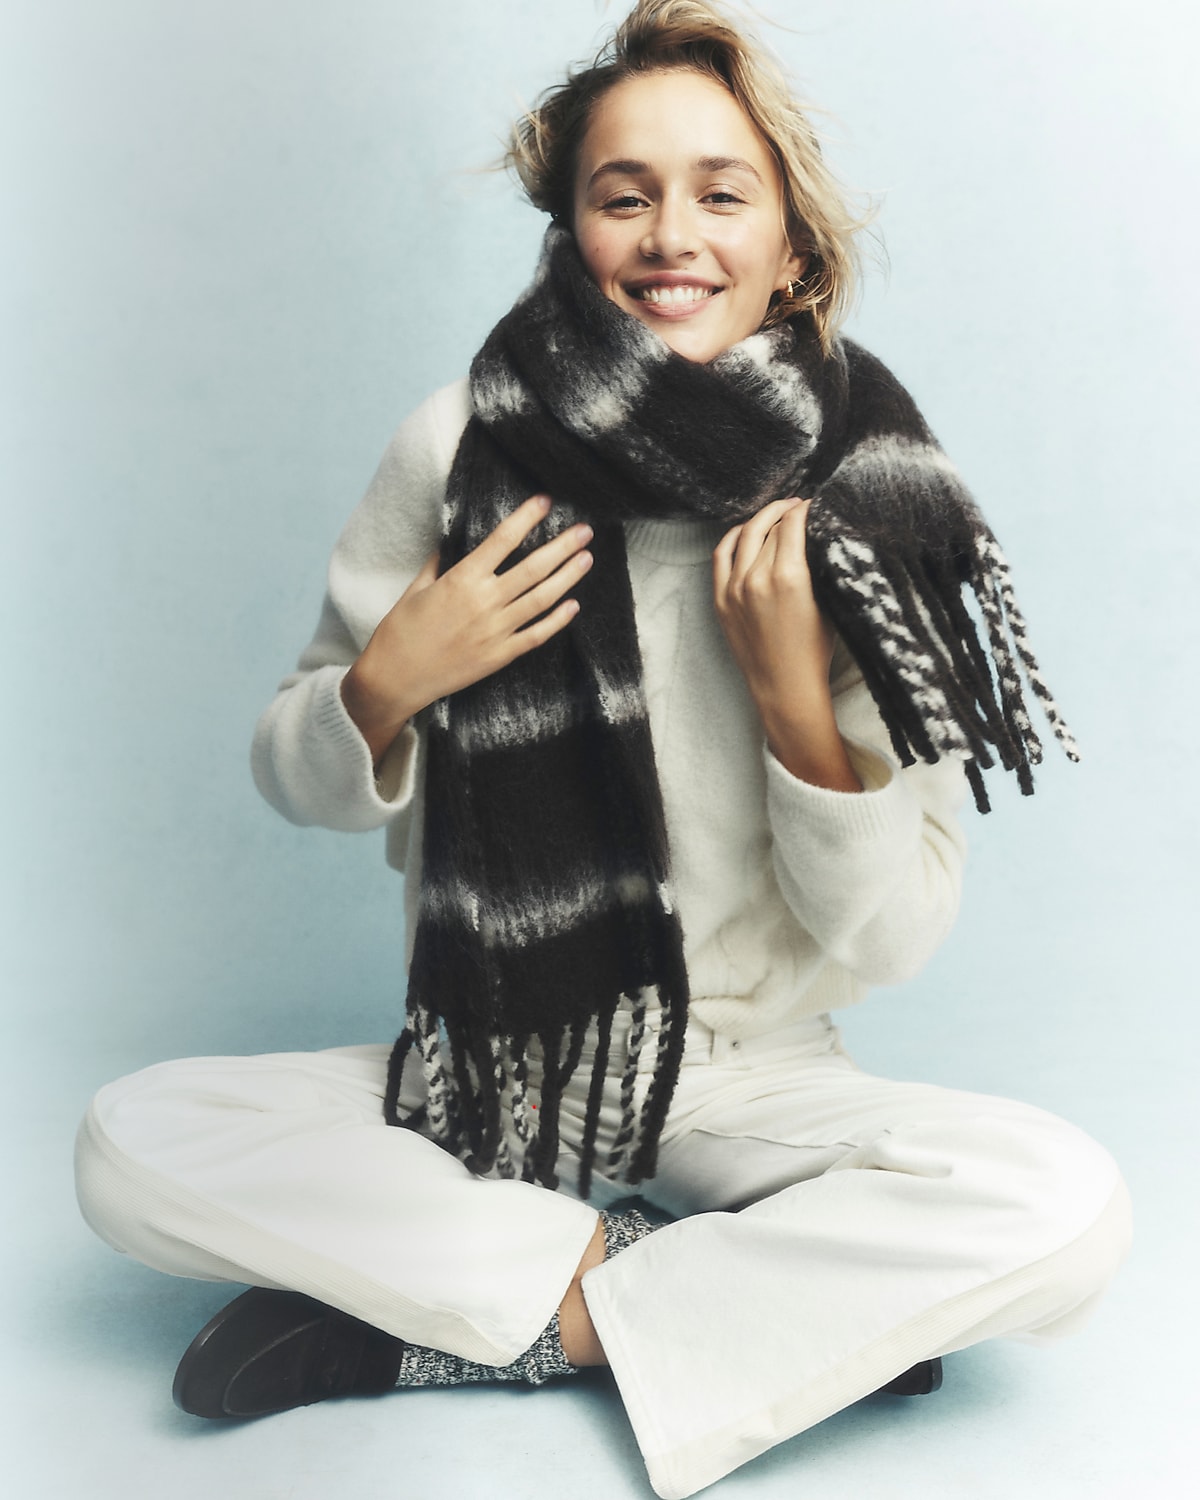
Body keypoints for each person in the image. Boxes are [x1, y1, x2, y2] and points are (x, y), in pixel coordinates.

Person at [73, 4, 1131, 1497]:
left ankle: (446, 1326)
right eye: (622, 192)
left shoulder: (872, 497)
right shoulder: (458, 450)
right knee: (129, 1141)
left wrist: (792, 709)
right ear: (573, 231)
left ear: (792, 247)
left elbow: (893, 935)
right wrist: (383, 684)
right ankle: (710, 1303)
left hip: (763, 1077)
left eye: (720, 190)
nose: (668, 232)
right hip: (497, 1058)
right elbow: (292, 773)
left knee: (1066, 1210)